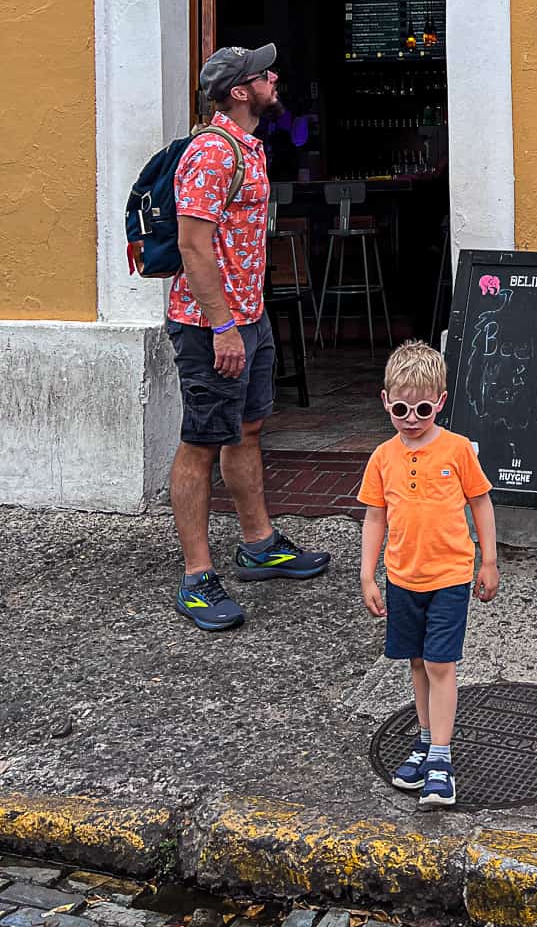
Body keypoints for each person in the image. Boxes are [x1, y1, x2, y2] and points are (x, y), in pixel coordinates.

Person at [168, 43, 330, 632]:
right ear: (241, 91)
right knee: (202, 440)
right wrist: (222, 326)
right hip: (214, 324)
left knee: (249, 428)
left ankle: (258, 544)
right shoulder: (212, 153)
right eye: (265, 75)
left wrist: (246, 320)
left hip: (249, 317)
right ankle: (196, 577)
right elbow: (192, 245)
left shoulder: (248, 148)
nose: (274, 78)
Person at [358, 341, 499, 809]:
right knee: (417, 662)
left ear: (439, 401)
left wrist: (490, 560)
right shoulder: (382, 457)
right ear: (386, 403)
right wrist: (368, 574)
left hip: (450, 577)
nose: (412, 417)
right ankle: (424, 740)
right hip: (402, 578)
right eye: (401, 408)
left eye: (422, 407)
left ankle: (441, 756)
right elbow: (375, 517)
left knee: (440, 663)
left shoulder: (457, 450)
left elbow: (480, 502)